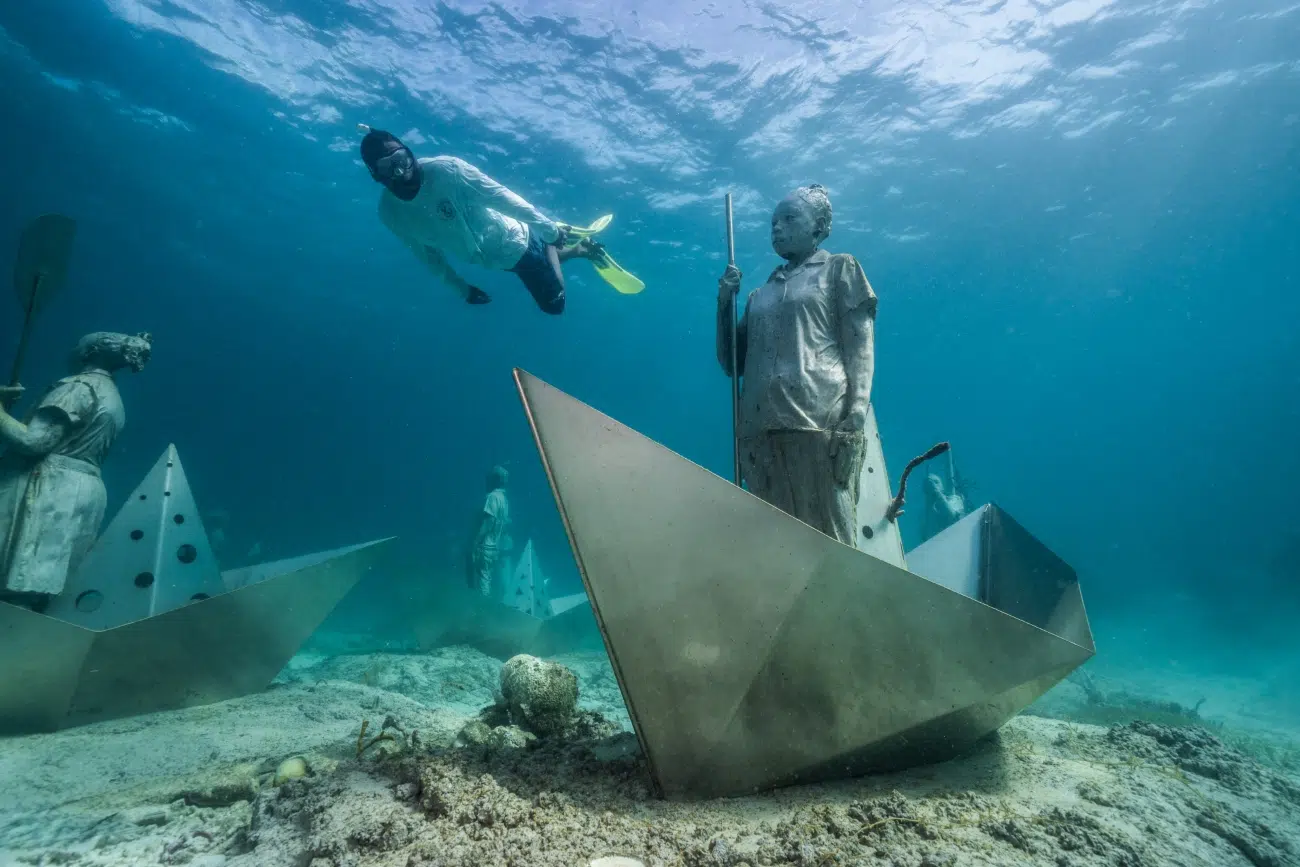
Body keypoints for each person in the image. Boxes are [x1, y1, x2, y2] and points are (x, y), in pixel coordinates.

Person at [716, 184, 876, 548]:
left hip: (820, 423)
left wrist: (856, 411)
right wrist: (724, 303)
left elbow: (860, 344)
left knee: (832, 539)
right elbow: (732, 364)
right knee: (772, 545)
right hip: (758, 431)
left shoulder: (839, 269)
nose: (777, 228)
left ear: (819, 227)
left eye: (789, 219)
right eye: (773, 222)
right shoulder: (759, 295)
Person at [359, 126, 604, 315]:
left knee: (553, 306)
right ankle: (573, 249)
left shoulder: (448, 170)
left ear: (409, 152)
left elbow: (500, 196)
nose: (402, 171)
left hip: (515, 242)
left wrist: (548, 229)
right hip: (491, 259)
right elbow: (426, 254)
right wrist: (461, 289)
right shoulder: (390, 213)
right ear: (374, 174)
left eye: (401, 160)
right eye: (388, 167)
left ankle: (551, 243)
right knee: (534, 267)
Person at [0, 331, 152, 610]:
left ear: (89, 352)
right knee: (43, 592)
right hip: (84, 489)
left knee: (17, 588)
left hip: (51, 489)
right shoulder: (112, 396)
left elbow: (34, 442)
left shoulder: (78, 387)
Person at [467, 465, 513, 598]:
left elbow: (488, 523)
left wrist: (475, 542)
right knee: (487, 578)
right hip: (495, 545)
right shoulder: (504, 499)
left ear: (494, 480)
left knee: (483, 581)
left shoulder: (493, 497)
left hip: (486, 545)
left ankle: (482, 610)